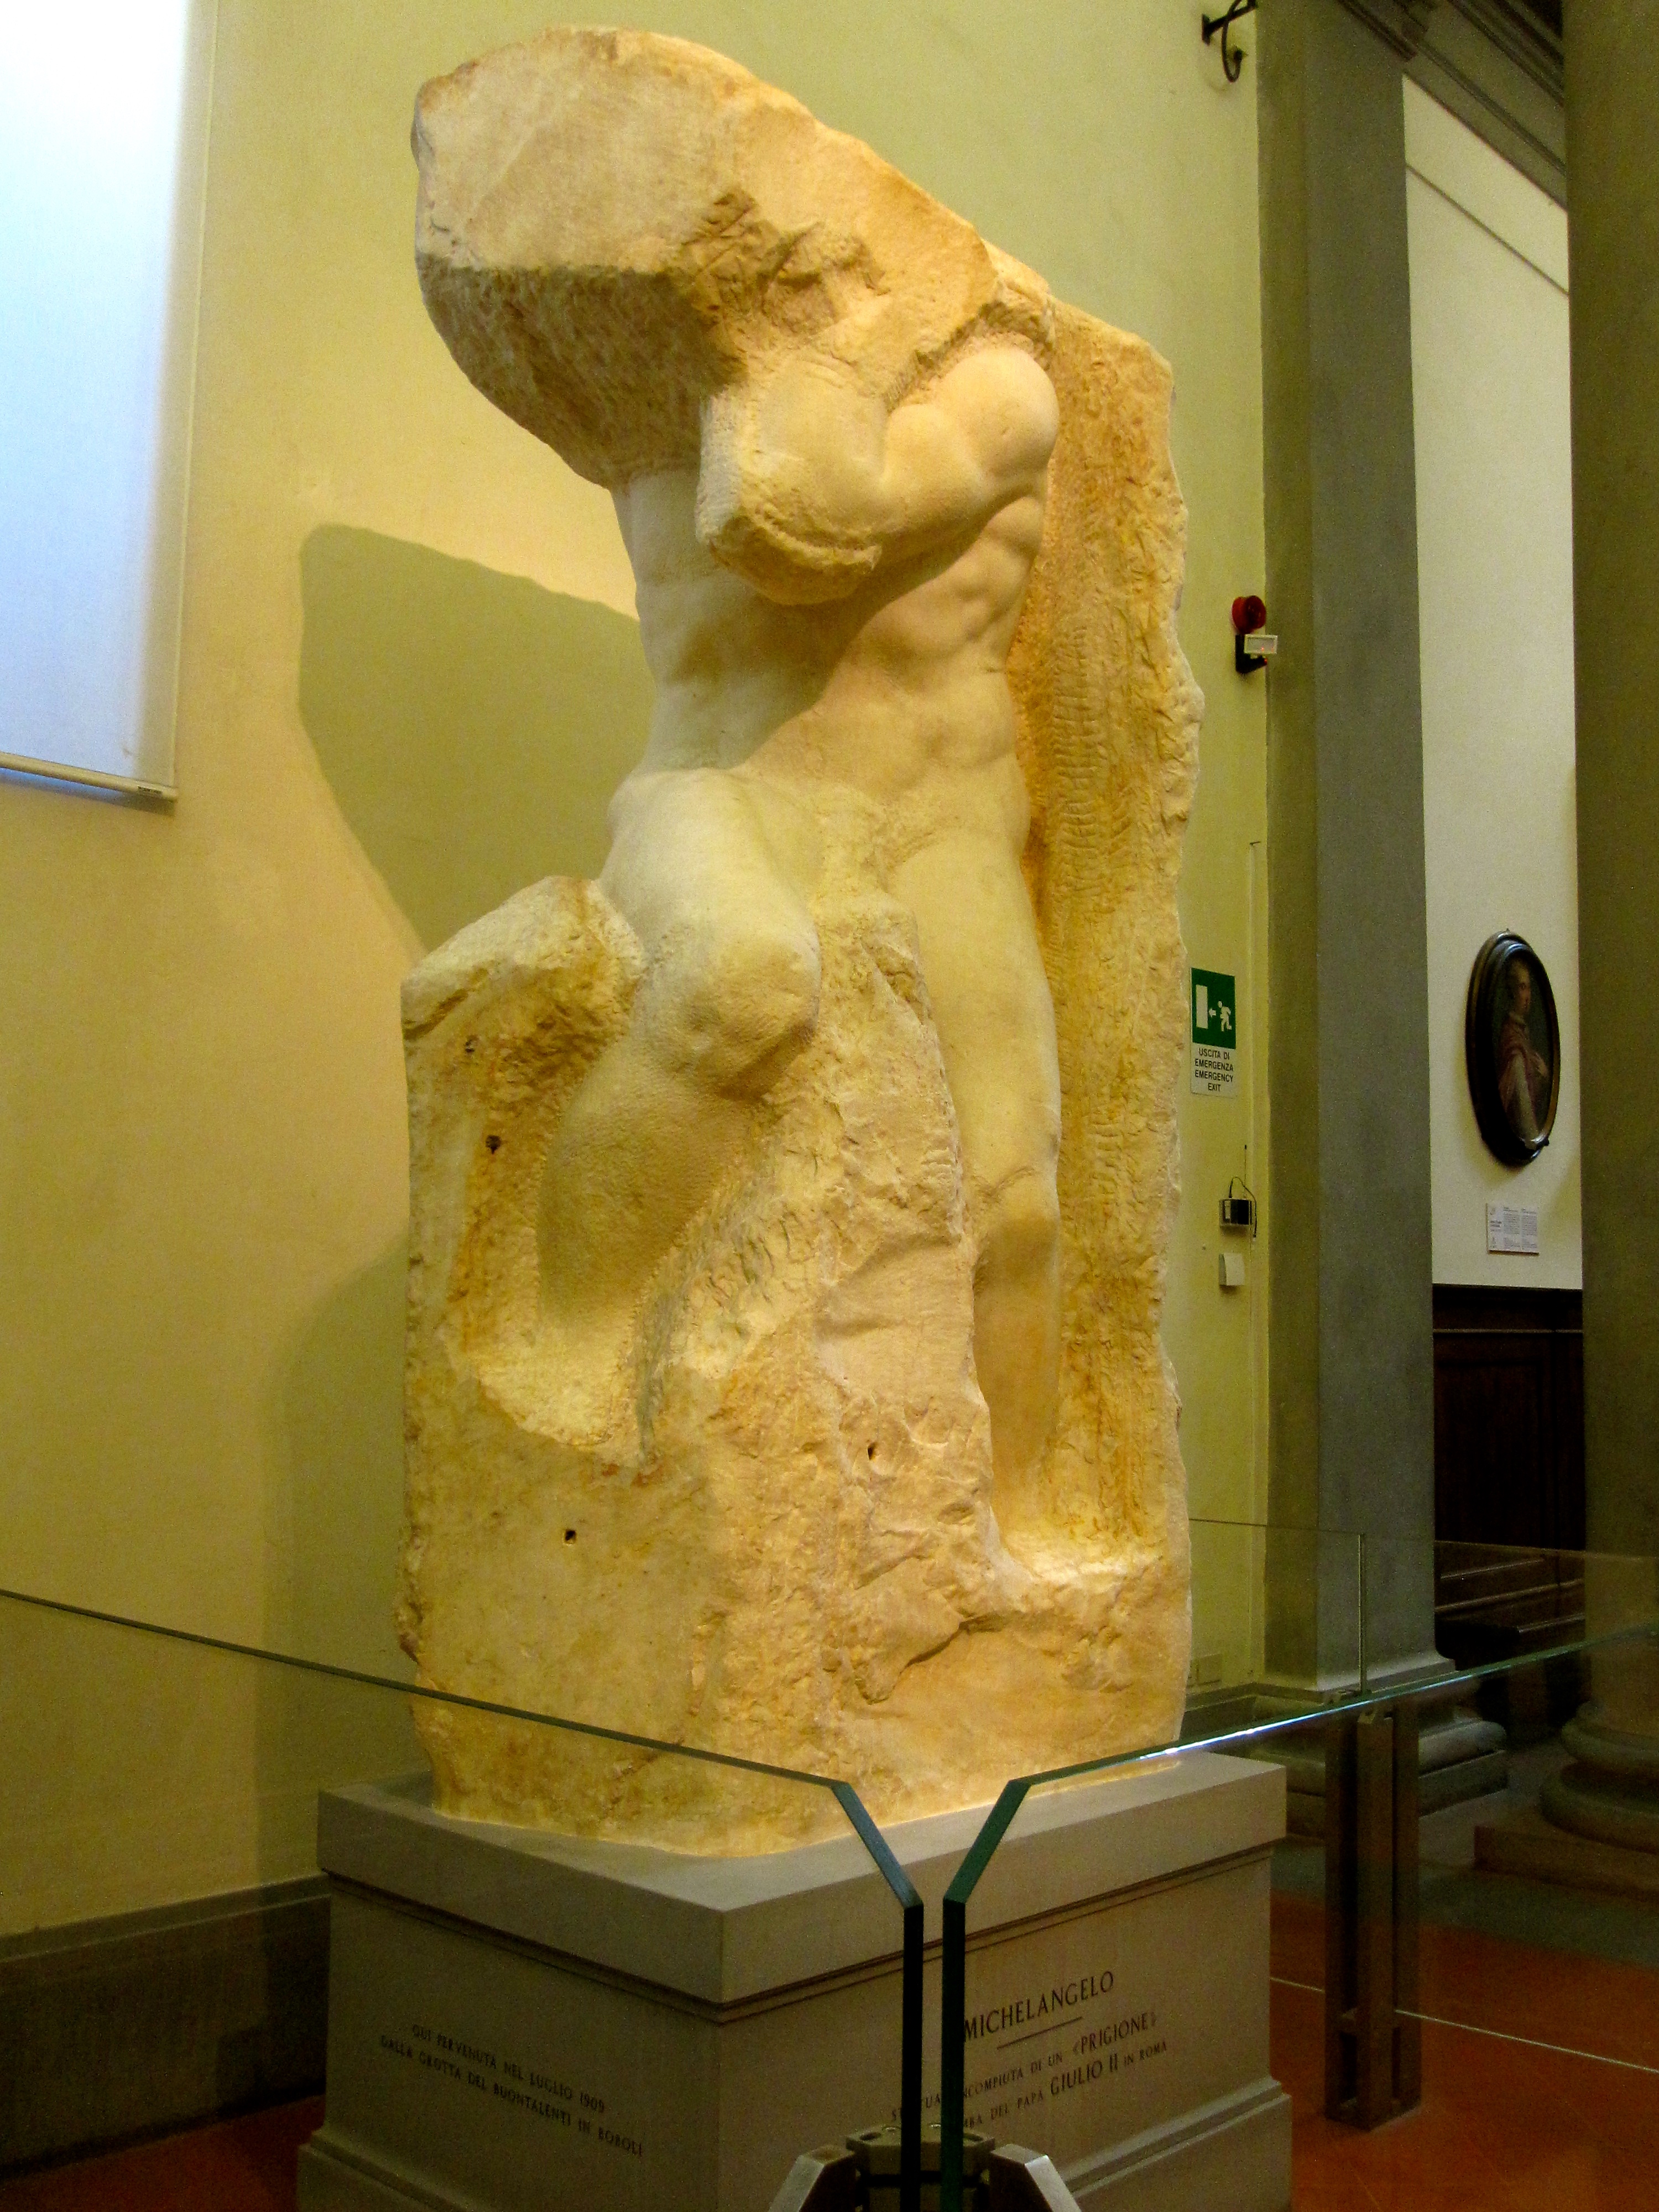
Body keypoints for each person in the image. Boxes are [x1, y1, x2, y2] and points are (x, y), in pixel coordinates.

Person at [538, 342, 1065, 1499]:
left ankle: (1015, 1533)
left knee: (1017, 1201)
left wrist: (817, 337)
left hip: (938, 816)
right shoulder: (631, 342)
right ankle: (563, 1360)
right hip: (723, 782)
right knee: (736, 982)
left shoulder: (998, 384)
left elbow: (809, 515)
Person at [1496, 958, 1550, 1141]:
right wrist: (1535, 1140)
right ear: (1512, 992)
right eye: (1522, 988)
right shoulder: (1513, 1044)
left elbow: (1530, 1089)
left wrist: (1543, 1077)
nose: (1528, 996)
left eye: (1529, 988)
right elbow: (1522, 1107)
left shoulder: (1522, 1034)